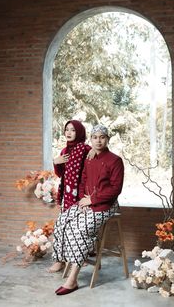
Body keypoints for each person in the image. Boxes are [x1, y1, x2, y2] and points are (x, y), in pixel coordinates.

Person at [53, 124, 124, 295]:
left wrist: (92, 200)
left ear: (107, 139)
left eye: (102, 137)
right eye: (95, 137)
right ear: (91, 139)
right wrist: (83, 201)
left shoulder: (115, 160)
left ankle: (72, 280)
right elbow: (83, 180)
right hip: (85, 202)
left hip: (105, 205)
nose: (98, 140)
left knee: (79, 230)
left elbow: (115, 189)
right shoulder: (89, 157)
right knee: (62, 221)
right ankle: (64, 260)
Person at [49, 119, 92, 273]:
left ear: (79, 132)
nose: (69, 132)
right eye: (67, 129)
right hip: (66, 193)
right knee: (62, 225)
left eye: (73, 130)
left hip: (81, 194)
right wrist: (56, 162)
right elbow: (61, 174)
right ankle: (60, 260)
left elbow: (92, 173)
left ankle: (79, 256)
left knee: (76, 227)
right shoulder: (64, 152)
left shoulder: (87, 149)